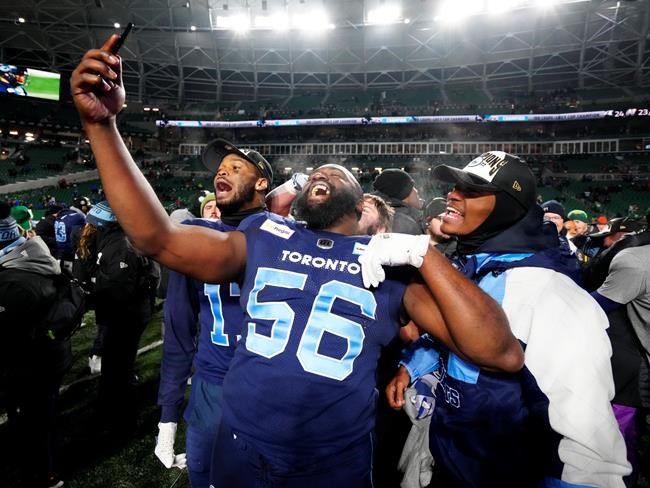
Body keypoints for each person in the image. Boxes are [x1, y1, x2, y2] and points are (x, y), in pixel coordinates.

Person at [71, 36, 523, 488]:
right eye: (316, 174)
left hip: (330, 462)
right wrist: (103, 125)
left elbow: (499, 353)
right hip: (239, 444)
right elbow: (157, 238)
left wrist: (423, 253)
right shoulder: (264, 234)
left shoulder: (386, 263)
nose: (322, 173)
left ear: (361, 203)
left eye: (337, 174)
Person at [387, 151, 631, 487]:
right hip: (456, 461)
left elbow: (588, 448)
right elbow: (454, 335)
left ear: (506, 206)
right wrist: (414, 366)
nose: (453, 195)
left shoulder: (548, 292)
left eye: (471, 190)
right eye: (455, 187)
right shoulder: (475, 265)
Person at [155, 139, 275, 486]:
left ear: (261, 182)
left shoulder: (289, 237)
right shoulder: (196, 236)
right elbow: (178, 329)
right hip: (213, 387)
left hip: (271, 390)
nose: (222, 173)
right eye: (221, 170)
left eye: (235, 168)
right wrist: (168, 416)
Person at [0, 201, 71, 488]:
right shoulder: (33, 254)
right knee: (42, 416)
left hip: (30, 364)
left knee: (34, 423)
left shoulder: (13, 282)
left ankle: (44, 475)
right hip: (49, 354)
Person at [81, 201, 160, 433]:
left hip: (124, 317)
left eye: (92, 224)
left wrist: (89, 298)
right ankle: (111, 412)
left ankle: (123, 421)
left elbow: (118, 290)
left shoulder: (120, 246)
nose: (87, 228)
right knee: (114, 368)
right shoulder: (115, 242)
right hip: (124, 314)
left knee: (119, 369)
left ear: (102, 225)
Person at [372, 168, 424, 235]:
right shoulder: (405, 224)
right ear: (405, 193)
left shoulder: (378, 217)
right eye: (412, 187)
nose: (416, 191)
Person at [54, 196, 92, 271]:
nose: (88, 209)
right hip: (71, 256)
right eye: (86, 207)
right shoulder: (78, 217)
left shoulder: (64, 215)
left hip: (60, 254)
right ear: (81, 206)